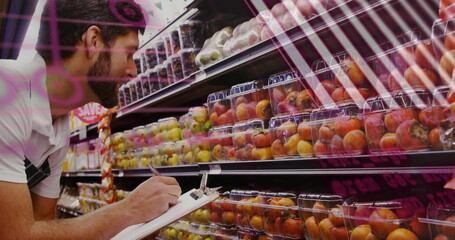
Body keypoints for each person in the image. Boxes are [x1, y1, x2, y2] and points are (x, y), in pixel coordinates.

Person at [0, 0, 181, 239]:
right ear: (93, 41)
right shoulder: (6, 91)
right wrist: (130, 211)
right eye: (128, 53)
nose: (133, 71)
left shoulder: (59, 126)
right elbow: (16, 235)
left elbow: (42, 223)